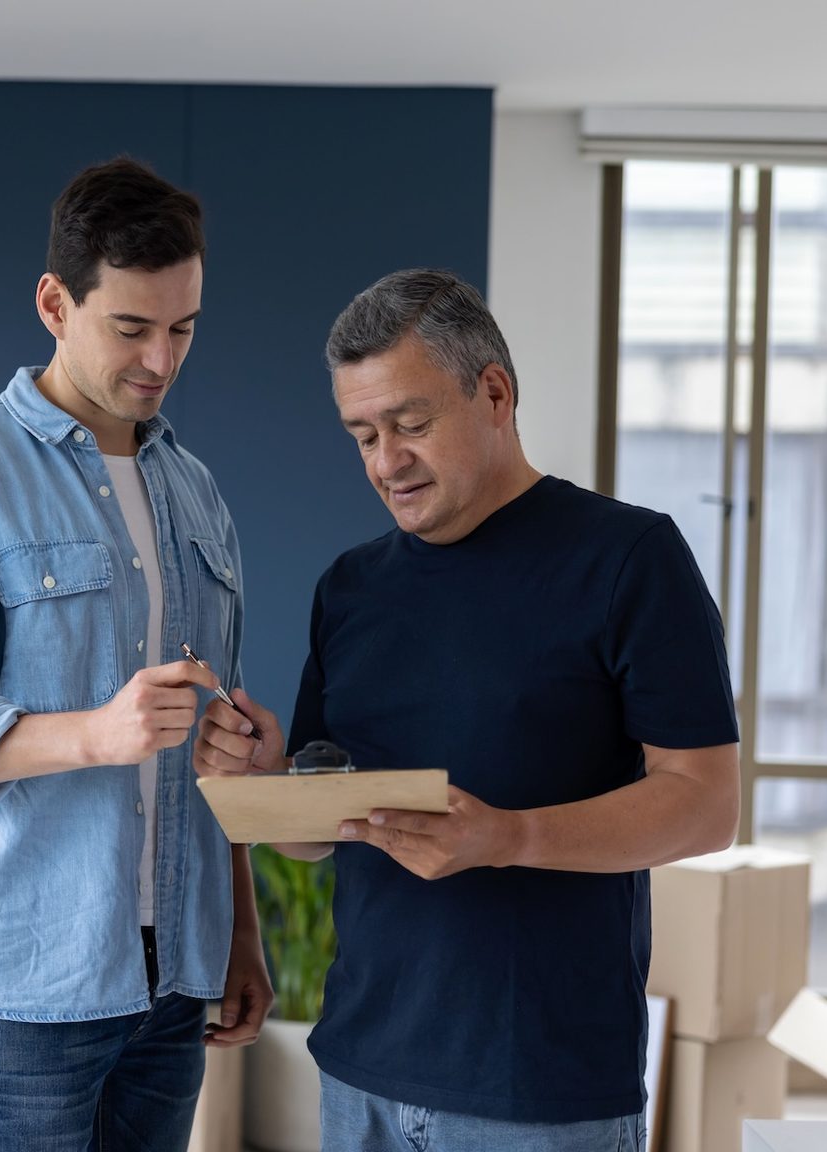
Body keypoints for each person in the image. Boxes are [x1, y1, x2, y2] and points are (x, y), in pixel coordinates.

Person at [194, 269, 740, 1151]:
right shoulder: (352, 588)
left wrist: (509, 838)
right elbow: (318, 832)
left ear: (494, 393)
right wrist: (270, 784)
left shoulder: (631, 559)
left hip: (542, 1089)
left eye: (410, 424)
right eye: (362, 434)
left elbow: (707, 804)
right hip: (360, 1072)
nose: (384, 461)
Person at [0, 157, 272, 1151]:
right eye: (131, 327)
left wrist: (243, 935)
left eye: (182, 329)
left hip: (174, 975)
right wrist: (93, 733)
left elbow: (207, 756)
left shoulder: (195, 491)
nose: (160, 360)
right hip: (20, 985)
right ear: (55, 302)